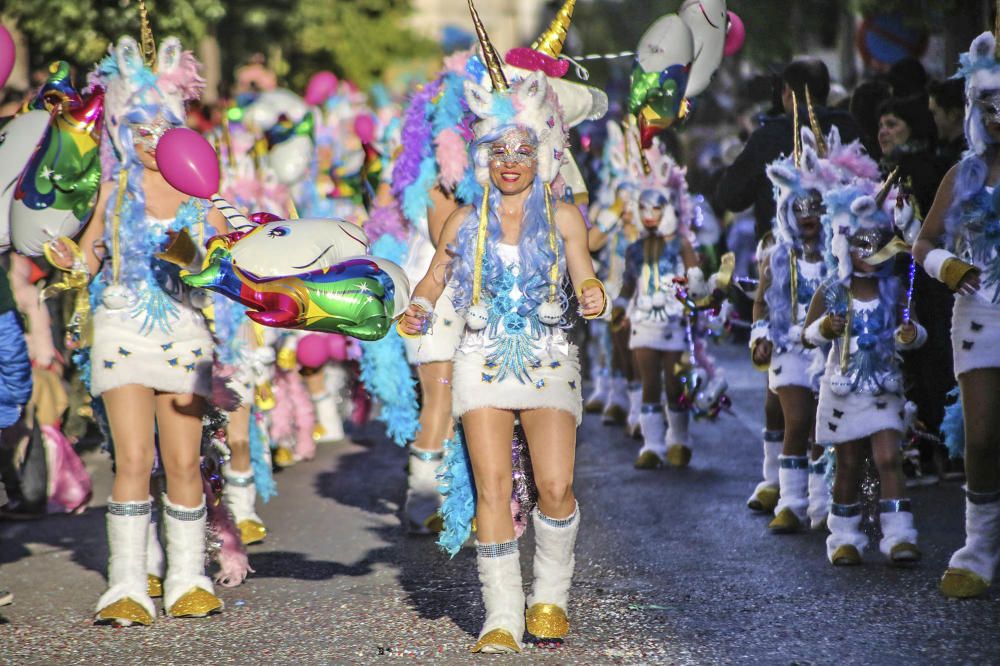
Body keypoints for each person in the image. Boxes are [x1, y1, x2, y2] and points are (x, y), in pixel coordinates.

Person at [400, 25, 605, 651]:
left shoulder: (564, 214)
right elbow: (433, 281)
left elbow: (585, 274)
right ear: (485, 157)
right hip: (481, 361)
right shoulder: (464, 222)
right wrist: (418, 306)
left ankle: (549, 598)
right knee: (490, 486)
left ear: (540, 154)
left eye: (521, 151)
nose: (510, 162)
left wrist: (594, 294)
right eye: (499, 152)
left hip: (548, 359)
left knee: (555, 486)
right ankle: (501, 614)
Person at [50, 35, 229, 625]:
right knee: (132, 461)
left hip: (182, 331)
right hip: (121, 326)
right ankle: (126, 584)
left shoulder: (200, 195)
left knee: (181, 463)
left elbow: (226, 266)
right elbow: (89, 258)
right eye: (139, 129)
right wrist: (66, 256)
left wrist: (205, 249)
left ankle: (187, 578)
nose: (149, 141)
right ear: (124, 130)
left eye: (160, 129)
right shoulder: (115, 188)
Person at [914, 31, 1000, 599]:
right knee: (984, 433)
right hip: (978, 314)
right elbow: (922, 243)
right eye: (989, 106)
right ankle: (979, 550)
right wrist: (949, 266)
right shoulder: (962, 174)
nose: (998, 117)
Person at [803, 177, 924, 567]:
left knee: (889, 457)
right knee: (849, 461)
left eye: (876, 242)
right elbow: (807, 335)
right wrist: (824, 329)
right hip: (842, 389)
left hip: (883, 386)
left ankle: (900, 535)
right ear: (844, 244)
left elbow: (916, 333)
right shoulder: (832, 290)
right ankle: (844, 537)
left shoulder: (894, 290)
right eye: (860, 243)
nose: (868, 251)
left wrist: (910, 334)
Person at [614, 143, 705, 470]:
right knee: (650, 383)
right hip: (644, 323)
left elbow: (696, 277)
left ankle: (679, 440)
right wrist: (620, 307)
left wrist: (701, 291)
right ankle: (652, 445)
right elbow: (628, 284)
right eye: (645, 209)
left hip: (675, 322)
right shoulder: (635, 249)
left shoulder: (681, 244)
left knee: (674, 382)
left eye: (657, 208)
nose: (651, 215)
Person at [715, 60, 861, 241]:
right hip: (844, 252)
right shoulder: (850, 128)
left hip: (784, 255)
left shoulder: (769, 136)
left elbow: (730, 196)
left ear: (786, 92)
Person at [928, 78, 967, 172]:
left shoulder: (966, 159)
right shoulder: (943, 151)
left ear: (952, 115)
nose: (930, 120)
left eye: (934, 113)